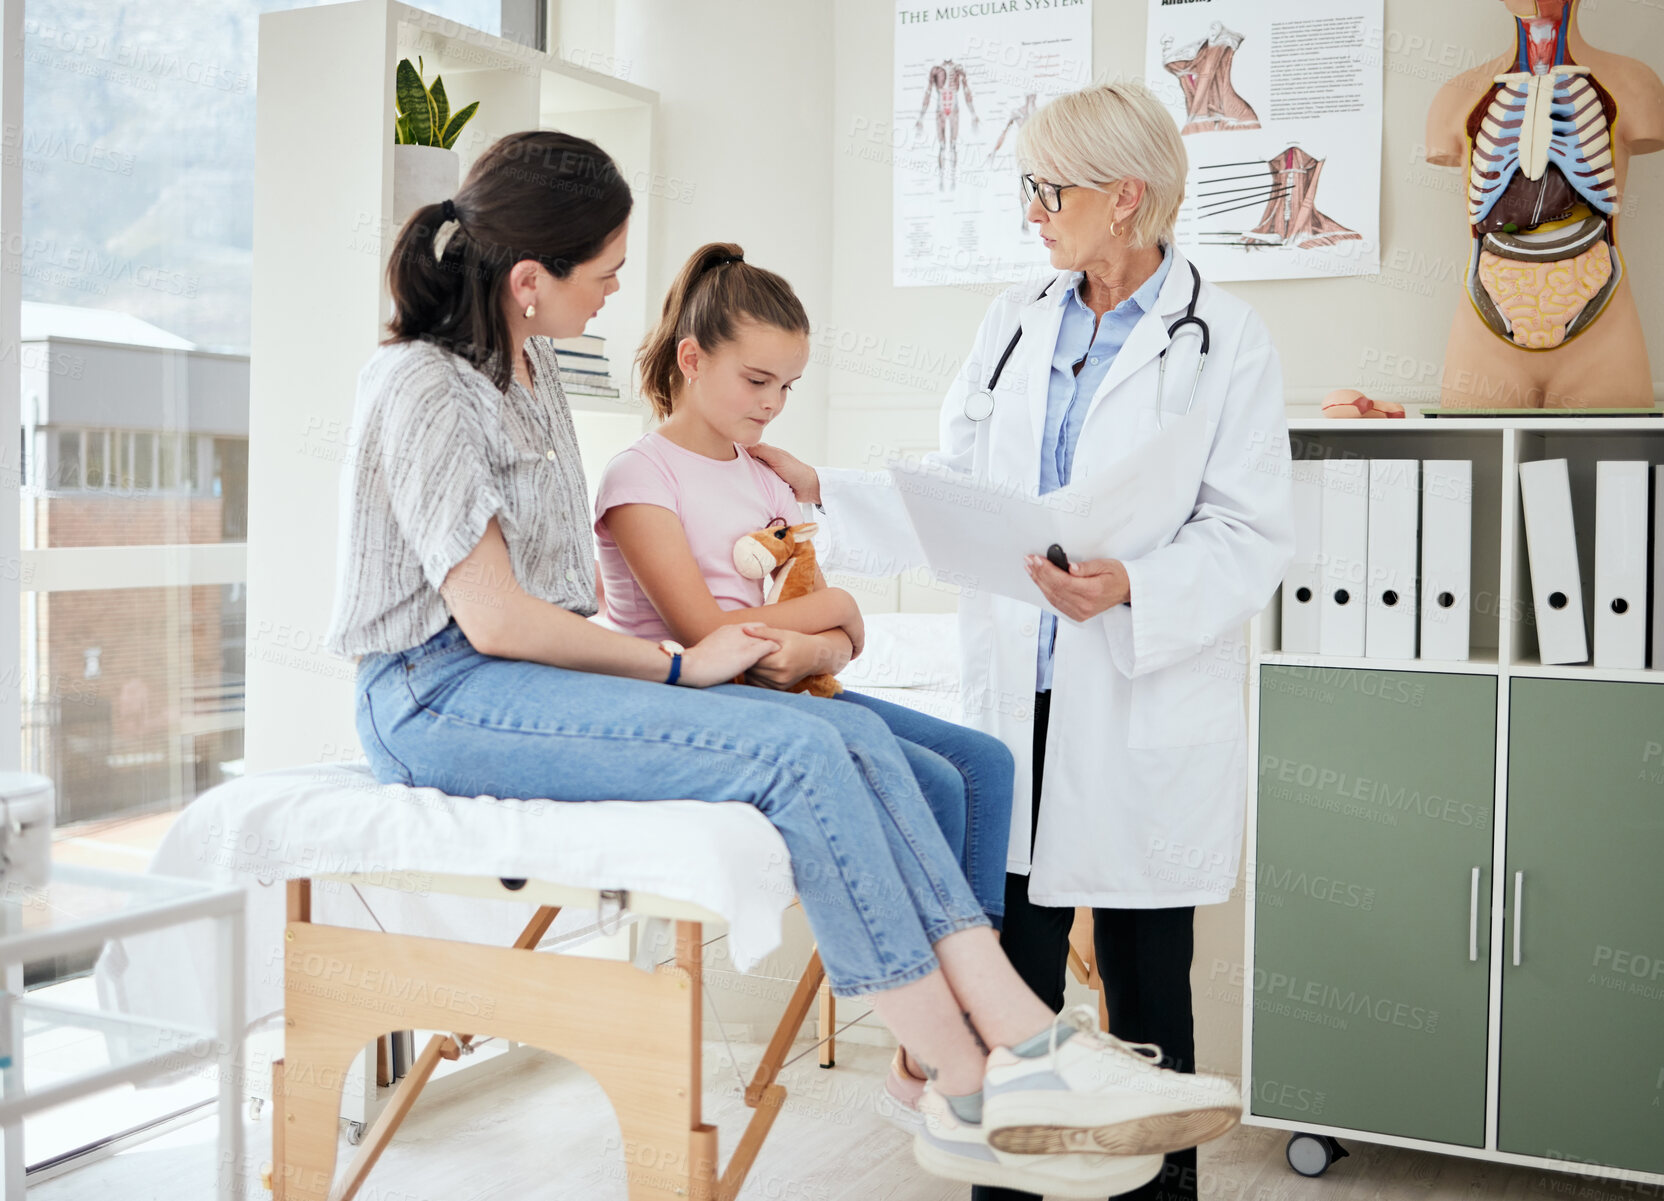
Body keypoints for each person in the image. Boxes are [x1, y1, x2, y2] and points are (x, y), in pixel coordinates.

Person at [321, 128, 1243, 1197]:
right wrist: (675, 668)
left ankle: (994, 1054)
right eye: (606, 272)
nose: (621, 292)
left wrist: (742, 646)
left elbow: (569, 612)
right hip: (434, 691)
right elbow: (495, 620)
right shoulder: (423, 386)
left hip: (524, 676)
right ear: (529, 281)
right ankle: (975, 1070)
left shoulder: (524, 371)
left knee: (859, 736)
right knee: (803, 751)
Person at [753, 83, 1294, 1201]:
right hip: (1016, 692)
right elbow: (959, 486)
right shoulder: (1013, 318)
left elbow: (1248, 532)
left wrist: (1134, 583)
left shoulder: (1224, 341)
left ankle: (1155, 1191)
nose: (1030, 212)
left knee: (1148, 984)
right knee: (1010, 963)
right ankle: (1008, 1186)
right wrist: (830, 491)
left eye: (1048, 189)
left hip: (1137, 686)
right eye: (1026, 188)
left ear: (1124, 197)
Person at [590, 240, 1015, 1124]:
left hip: (782, 686)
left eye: (787, 386)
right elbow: (704, 634)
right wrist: (844, 615)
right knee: (933, 781)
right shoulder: (640, 477)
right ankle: (959, 1047)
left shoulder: (762, 471)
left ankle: (925, 1051)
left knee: (986, 763)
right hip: (697, 699)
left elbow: (800, 611)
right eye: (756, 381)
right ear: (692, 358)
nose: (774, 404)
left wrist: (831, 638)